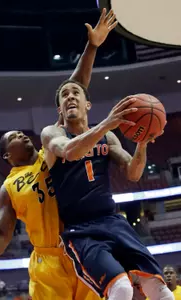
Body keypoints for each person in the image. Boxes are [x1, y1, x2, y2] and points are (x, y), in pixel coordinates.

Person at [0, 8, 117, 300]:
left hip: (82, 245)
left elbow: (74, 87)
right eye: (12, 137)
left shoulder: (53, 146)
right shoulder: (8, 188)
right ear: (7, 156)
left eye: (21, 133)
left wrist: (92, 46)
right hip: (46, 261)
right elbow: (2, 233)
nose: (21, 134)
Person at [41, 82, 172, 300]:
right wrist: (106, 124)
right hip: (81, 230)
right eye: (65, 95)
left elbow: (133, 173)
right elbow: (69, 151)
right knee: (121, 289)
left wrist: (142, 143)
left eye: (76, 93)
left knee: (160, 290)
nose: (70, 97)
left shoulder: (108, 138)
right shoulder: (52, 133)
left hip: (112, 221)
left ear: (88, 104)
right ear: (60, 110)